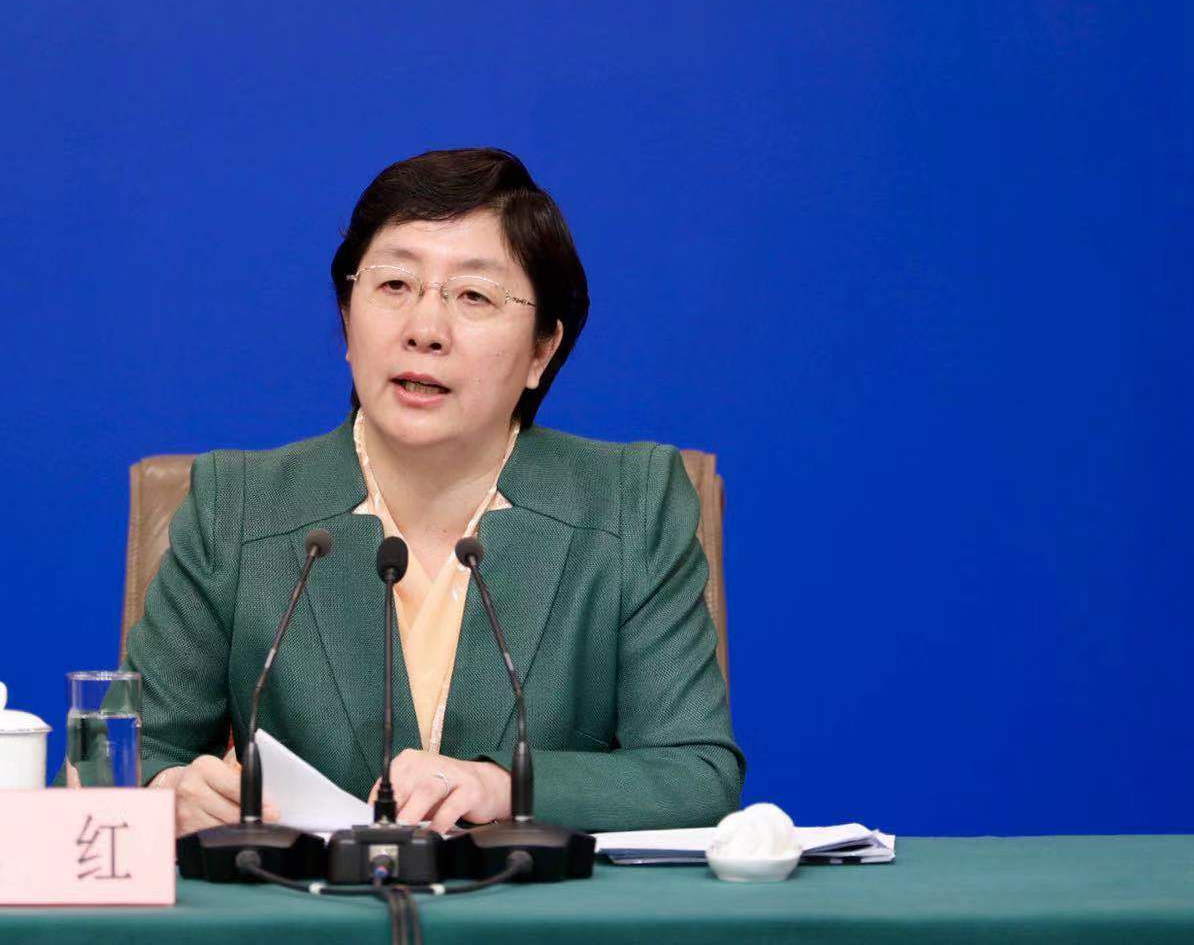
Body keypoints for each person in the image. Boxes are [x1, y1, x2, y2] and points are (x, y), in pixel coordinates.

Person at [126, 148, 743, 836]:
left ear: (542, 350)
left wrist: (504, 788)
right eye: (394, 285)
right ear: (347, 319)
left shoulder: (630, 504)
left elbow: (695, 773)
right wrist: (167, 791)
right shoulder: (238, 507)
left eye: (474, 296)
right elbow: (130, 755)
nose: (424, 331)